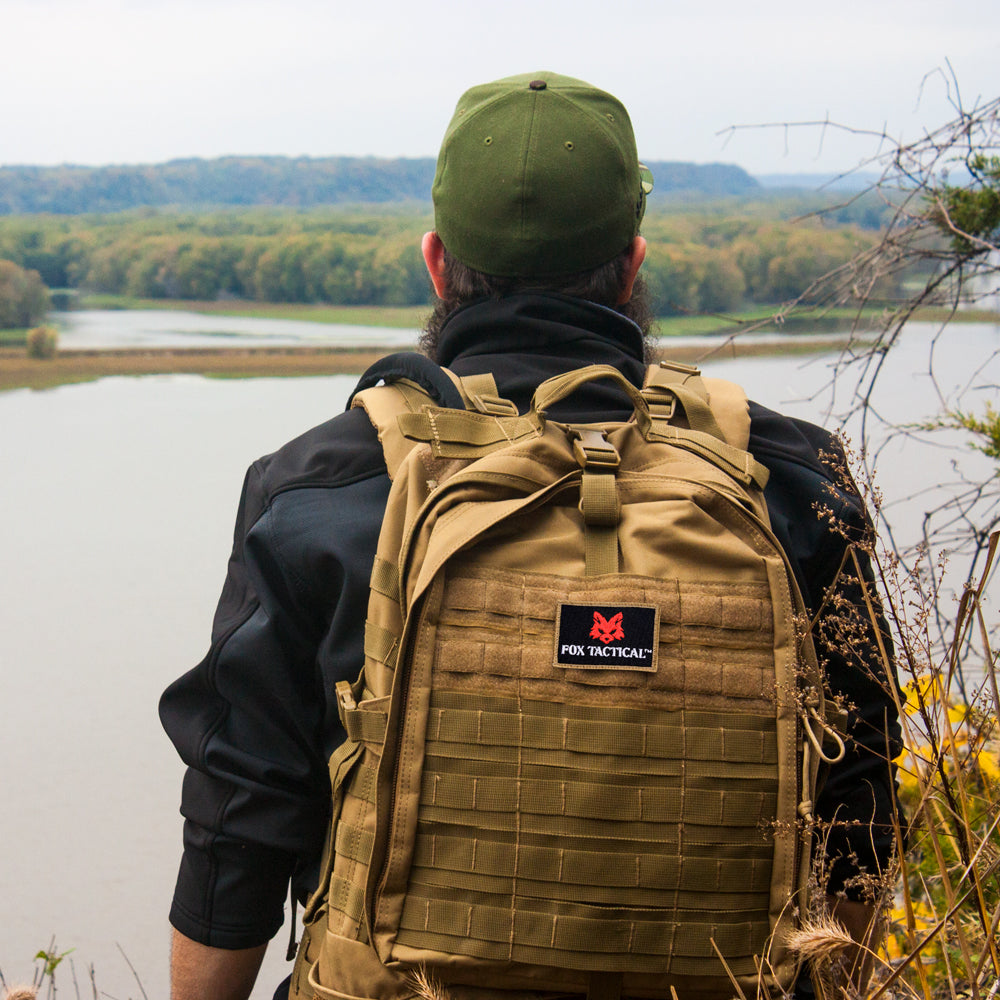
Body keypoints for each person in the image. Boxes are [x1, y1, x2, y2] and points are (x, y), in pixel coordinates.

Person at [160, 72, 901, 1000]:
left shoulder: (324, 487)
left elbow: (242, 818)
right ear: (632, 266)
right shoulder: (794, 479)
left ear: (436, 263)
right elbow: (858, 809)